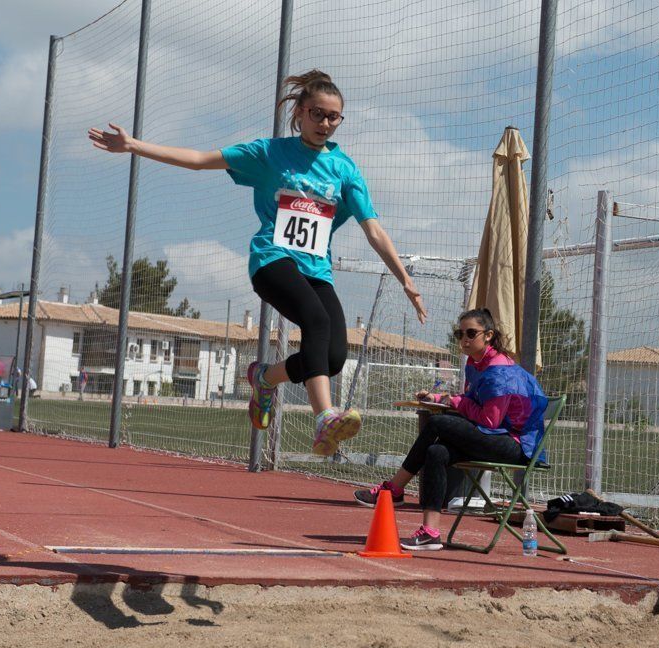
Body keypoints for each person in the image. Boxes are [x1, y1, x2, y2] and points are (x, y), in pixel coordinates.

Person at [89, 69, 426, 456]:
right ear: (300, 112)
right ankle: (324, 419)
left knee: (332, 357)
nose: (326, 124)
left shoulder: (346, 170)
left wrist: (404, 279)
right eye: (318, 114)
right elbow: (200, 160)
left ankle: (265, 378)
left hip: (316, 268)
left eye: (334, 117)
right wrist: (133, 145)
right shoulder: (269, 153)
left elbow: (374, 230)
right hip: (272, 259)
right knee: (314, 320)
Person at [353, 308, 549, 551]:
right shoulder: (475, 364)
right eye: (460, 333)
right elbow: (470, 401)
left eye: (471, 333)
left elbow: (489, 421)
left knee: (437, 423)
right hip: (492, 437)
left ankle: (395, 488)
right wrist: (440, 398)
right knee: (436, 452)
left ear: (488, 335)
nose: (464, 339)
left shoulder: (500, 371)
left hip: (516, 445)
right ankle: (430, 533)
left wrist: (455, 402)